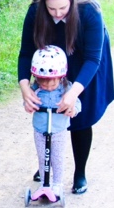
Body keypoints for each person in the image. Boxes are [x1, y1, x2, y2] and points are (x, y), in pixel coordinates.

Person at [18, 0, 114, 194]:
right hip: (51, 62)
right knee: (49, 114)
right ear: (44, 2)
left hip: (84, 59)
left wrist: (73, 93)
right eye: (51, 9)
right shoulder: (35, 12)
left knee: (79, 116)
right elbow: (25, 53)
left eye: (63, 8)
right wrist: (24, 86)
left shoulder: (89, 11)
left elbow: (93, 59)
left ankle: (79, 172)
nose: (58, 13)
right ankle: (47, 168)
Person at [29, 45, 81, 198]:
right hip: (40, 130)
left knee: (57, 158)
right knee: (42, 157)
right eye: (43, 83)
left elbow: (76, 102)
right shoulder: (36, 88)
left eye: (52, 84)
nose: (48, 87)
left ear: (61, 77)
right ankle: (45, 184)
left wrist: (73, 109)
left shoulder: (66, 88)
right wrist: (28, 104)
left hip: (59, 130)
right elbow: (28, 100)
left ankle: (57, 184)